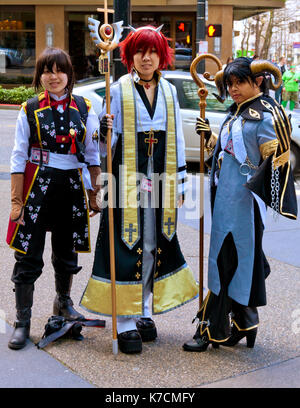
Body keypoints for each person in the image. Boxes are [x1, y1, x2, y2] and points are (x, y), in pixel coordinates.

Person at [80, 25, 198, 354]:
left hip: (160, 176)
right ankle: (124, 320)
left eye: (153, 51)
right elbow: (105, 147)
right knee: (123, 243)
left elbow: (175, 136)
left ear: (162, 55)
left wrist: (181, 182)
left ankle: (145, 310)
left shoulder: (170, 91)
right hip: (126, 179)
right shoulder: (118, 88)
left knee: (152, 243)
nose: (146, 57)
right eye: (140, 51)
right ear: (129, 55)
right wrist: (102, 133)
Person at [183, 57, 297, 352]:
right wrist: (210, 138)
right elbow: (225, 154)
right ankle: (246, 320)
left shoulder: (266, 116)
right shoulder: (239, 112)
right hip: (225, 200)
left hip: (241, 205)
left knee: (224, 264)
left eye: (239, 83)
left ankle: (211, 330)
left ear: (257, 81)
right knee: (234, 264)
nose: (233, 89)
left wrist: (270, 156)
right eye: (230, 84)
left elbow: (272, 162)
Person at [6, 47, 101, 350]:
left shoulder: (86, 108)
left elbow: (92, 155)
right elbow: (18, 156)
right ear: (40, 75)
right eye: (47, 70)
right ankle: (23, 323)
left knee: (66, 251)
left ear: (69, 75)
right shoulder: (29, 108)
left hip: (71, 186)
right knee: (28, 254)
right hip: (37, 184)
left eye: (59, 70)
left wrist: (95, 192)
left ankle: (63, 305)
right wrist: (15, 201)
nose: (53, 76)